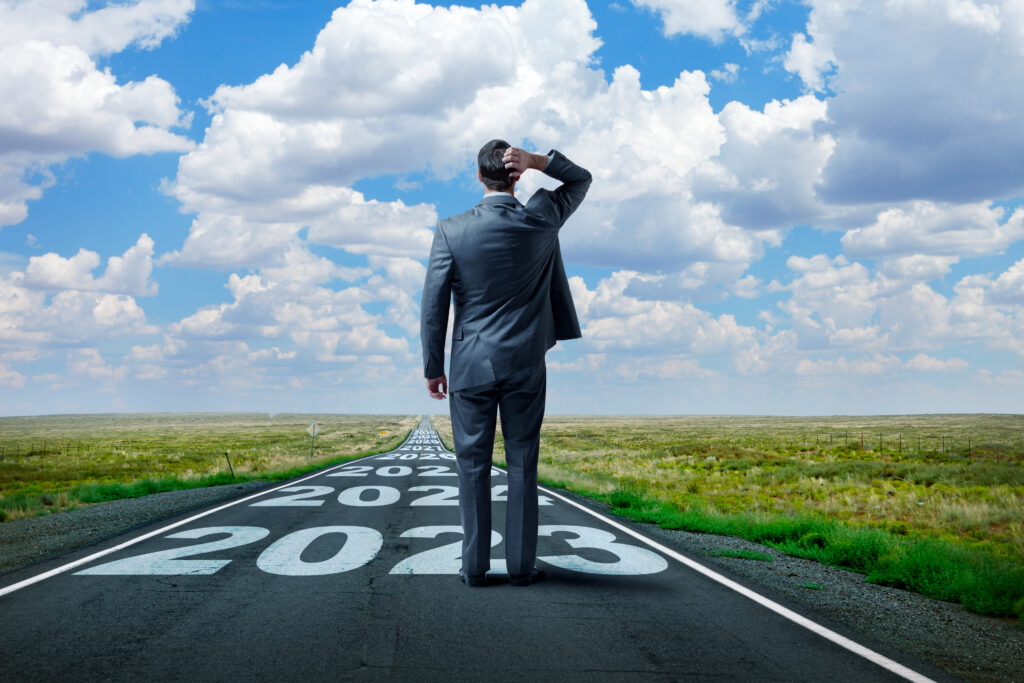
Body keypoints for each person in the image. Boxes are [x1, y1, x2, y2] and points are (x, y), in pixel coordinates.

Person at [420, 139, 592, 587]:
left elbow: (434, 306)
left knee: (471, 465)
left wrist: (432, 367)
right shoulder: (541, 219)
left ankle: (475, 568)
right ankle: (520, 568)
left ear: (479, 177)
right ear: (516, 177)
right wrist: (539, 161)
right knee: (522, 463)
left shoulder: (450, 230)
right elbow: (581, 179)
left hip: (470, 364)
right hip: (525, 363)